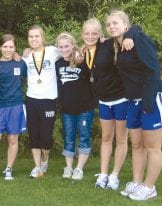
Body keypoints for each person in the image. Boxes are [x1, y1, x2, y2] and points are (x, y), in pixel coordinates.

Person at [106, 9, 162, 200]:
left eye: (115, 23)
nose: (111, 26)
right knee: (136, 145)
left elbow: (153, 70)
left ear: (126, 25)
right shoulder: (118, 44)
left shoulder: (137, 38)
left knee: (152, 146)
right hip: (132, 101)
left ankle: (149, 187)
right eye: (108, 24)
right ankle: (136, 182)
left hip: (151, 99)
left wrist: (148, 102)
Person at [79, 18, 137, 190]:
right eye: (87, 33)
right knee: (106, 138)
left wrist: (130, 35)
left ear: (100, 34)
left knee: (120, 139)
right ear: (82, 34)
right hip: (104, 101)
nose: (90, 36)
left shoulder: (109, 44)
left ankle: (114, 175)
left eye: (94, 33)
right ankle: (103, 174)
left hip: (121, 99)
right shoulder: (84, 52)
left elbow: (130, 31)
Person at [0, 34, 27, 181]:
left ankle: (9, 169)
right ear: (0, 47)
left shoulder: (21, 63)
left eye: (11, 47)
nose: (8, 50)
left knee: (13, 140)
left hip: (15, 106)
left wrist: (23, 54)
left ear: (15, 48)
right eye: (5, 47)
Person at [55, 32, 96, 180]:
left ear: (73, 45)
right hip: (67, 109)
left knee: (84, 136)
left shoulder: (82, 60)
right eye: (61, 46)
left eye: (67, 46)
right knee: (68, 137)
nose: (64, 49)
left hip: (85, 108)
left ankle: (79, 169)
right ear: (58, 48)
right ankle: (69, 167)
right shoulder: (57, 63)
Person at [23, 25, 59, 178]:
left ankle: (45, 158)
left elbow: (70, 49)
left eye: (37, 36)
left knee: (46, 137)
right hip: (31, 99)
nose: (34, 39)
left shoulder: (53, 51)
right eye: (31, 36)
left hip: (48, 100)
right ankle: (37, 167)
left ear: (43, 38)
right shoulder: (26, 56)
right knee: (34, 136)